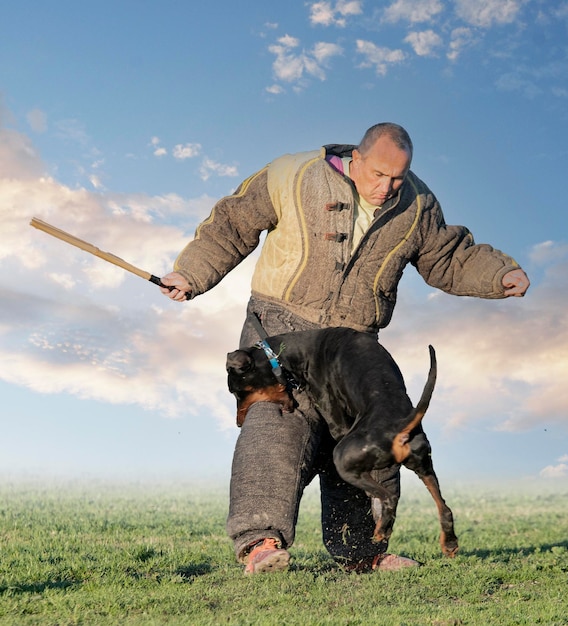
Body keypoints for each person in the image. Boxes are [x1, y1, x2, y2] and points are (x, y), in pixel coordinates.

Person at [160, 122, 529, 574]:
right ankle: (260, 543)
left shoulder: (417, 203)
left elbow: (447, 257)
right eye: (378, 174)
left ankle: (361, 554)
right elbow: (231, 224)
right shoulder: (291, 174)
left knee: (361, 436)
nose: (387, 186)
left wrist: (498, 275)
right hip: (281, 325)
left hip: (353, 345)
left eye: (397, 177)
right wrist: (191, 275)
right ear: (358, 157)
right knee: (276, 422)